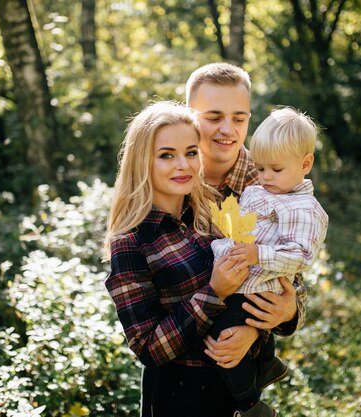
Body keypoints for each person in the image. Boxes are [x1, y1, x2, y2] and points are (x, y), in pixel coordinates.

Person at [104, 101, 259, 416]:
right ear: (141, 162)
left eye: (191, 152)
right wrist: (214, 293)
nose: (183, 165)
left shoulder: (212, 218)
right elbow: (148, 347)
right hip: (182, 398)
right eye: (166, 155)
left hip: (239, 391)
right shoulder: (131, 243)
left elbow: (257, 282)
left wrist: (253, 332)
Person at [185, 63, 306, 378]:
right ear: (189, 116)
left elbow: (294, 271)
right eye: (213, 118)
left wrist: (260, 327)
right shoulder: (173, 178)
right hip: (179, 357)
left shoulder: (271, 180)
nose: (228, 129)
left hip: (241, 361)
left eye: (239, 118)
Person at [207, 107, 329, 416]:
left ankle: (251, 406)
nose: (264, 177)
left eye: (275, 169)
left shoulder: (302, 208)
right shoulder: (261, 189)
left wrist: (256, 253)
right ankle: (266, 363)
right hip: (241, 277)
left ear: (305, 164)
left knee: (222, 338)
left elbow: (301, 255)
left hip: (258, 283)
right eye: (260, 168)